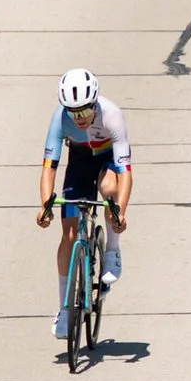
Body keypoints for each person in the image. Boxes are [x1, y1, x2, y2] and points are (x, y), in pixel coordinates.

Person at [39, 69, 131, 337]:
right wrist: (45, 205)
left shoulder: (111, 115)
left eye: (84, 111)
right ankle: (65, 310)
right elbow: (49, 167)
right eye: (72, 112)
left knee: (109, 188)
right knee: (68, 235)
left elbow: (126, 172)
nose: (78, 118)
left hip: (107, 160)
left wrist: (120, 213)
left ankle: (112, 250)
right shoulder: (59, 118)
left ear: (95, 103)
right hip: (79, 162)